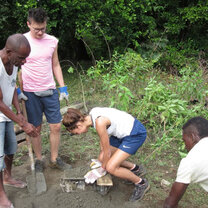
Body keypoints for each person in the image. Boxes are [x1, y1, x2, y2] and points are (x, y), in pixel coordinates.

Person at [19, 8, 71, 172]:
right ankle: (39, 159)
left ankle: (55, 159)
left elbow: (55, 64)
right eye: (36, 29)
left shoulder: (52, 41)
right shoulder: (21, 41)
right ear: (28, 24)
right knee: (35, 128)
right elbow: (16, 67)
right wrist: (19, 91)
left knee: (55, 126)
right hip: (30, 93)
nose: (40, 32)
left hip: (49, 90)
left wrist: (62, 86)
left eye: (43, 28)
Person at [62, 107, 150, 201]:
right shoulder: (92, 114)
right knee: (101, 158)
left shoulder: (99, 122)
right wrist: (102, 158)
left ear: (79, 125)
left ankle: (141, 183)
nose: (78, 134)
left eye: (76, 133)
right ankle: (135, 169)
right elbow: (103, 140)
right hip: (120, 134)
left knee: (110, 167)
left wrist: (101, 170)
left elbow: (107, 152)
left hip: (134, 134)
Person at [0, 34, 38, 208]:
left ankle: (7, 177)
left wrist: (18, 110)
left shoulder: (13, 63)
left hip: (6, 113)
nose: (24, 62)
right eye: (22, 58)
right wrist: (23, 123)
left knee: (10, 149)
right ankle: (1, 196)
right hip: (1, 111)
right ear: (8, 51)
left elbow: (13, 87)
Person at [164, 116, 208, 208]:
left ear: (192, 137)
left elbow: (170, 204)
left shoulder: (190, 161)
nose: (185, 146)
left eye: (184, 141)